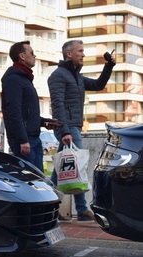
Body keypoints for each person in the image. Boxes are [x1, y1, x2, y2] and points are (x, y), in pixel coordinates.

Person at [48, 39, 116, 222]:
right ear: (69, 54)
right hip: (67, 128)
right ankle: (81, 209)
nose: (83, 54)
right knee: (77, 165)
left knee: (61, 170)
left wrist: (108, 66)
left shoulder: (76, 77)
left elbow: (98, 85)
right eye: (80, 51)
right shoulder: (58, 76)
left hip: (73, 127)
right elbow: (57, 105)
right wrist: (64, 131)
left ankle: (49, 205)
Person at [1, 41, 58, 171]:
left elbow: (26, 113)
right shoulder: (14, 79)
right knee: (32, 182)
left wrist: (44, 122)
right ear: (22, 56)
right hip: (26, 141)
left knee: (38, 180)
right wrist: (22, 140)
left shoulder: (24, 78)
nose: (34, 56)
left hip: (33, 138)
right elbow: (13, 112)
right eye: (31, 53)